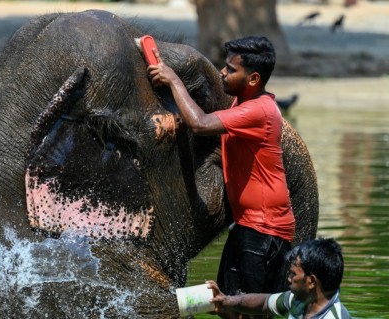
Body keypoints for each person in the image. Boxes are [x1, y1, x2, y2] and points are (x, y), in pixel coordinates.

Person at [148, 36, 295, 318]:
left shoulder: (258, 110)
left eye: (230, 69)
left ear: (253, 78)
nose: (222, 73)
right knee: (225, 306)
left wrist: (174, 81)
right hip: (247, 226)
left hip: (266, 231)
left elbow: (201, 124)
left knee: (248, 312)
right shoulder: (243, 101)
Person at [206, 237, 352, 319]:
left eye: (293, 274)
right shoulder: (300, 301)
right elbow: (264, 303)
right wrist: (226, 301)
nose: (288, 279)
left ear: (311, 282)